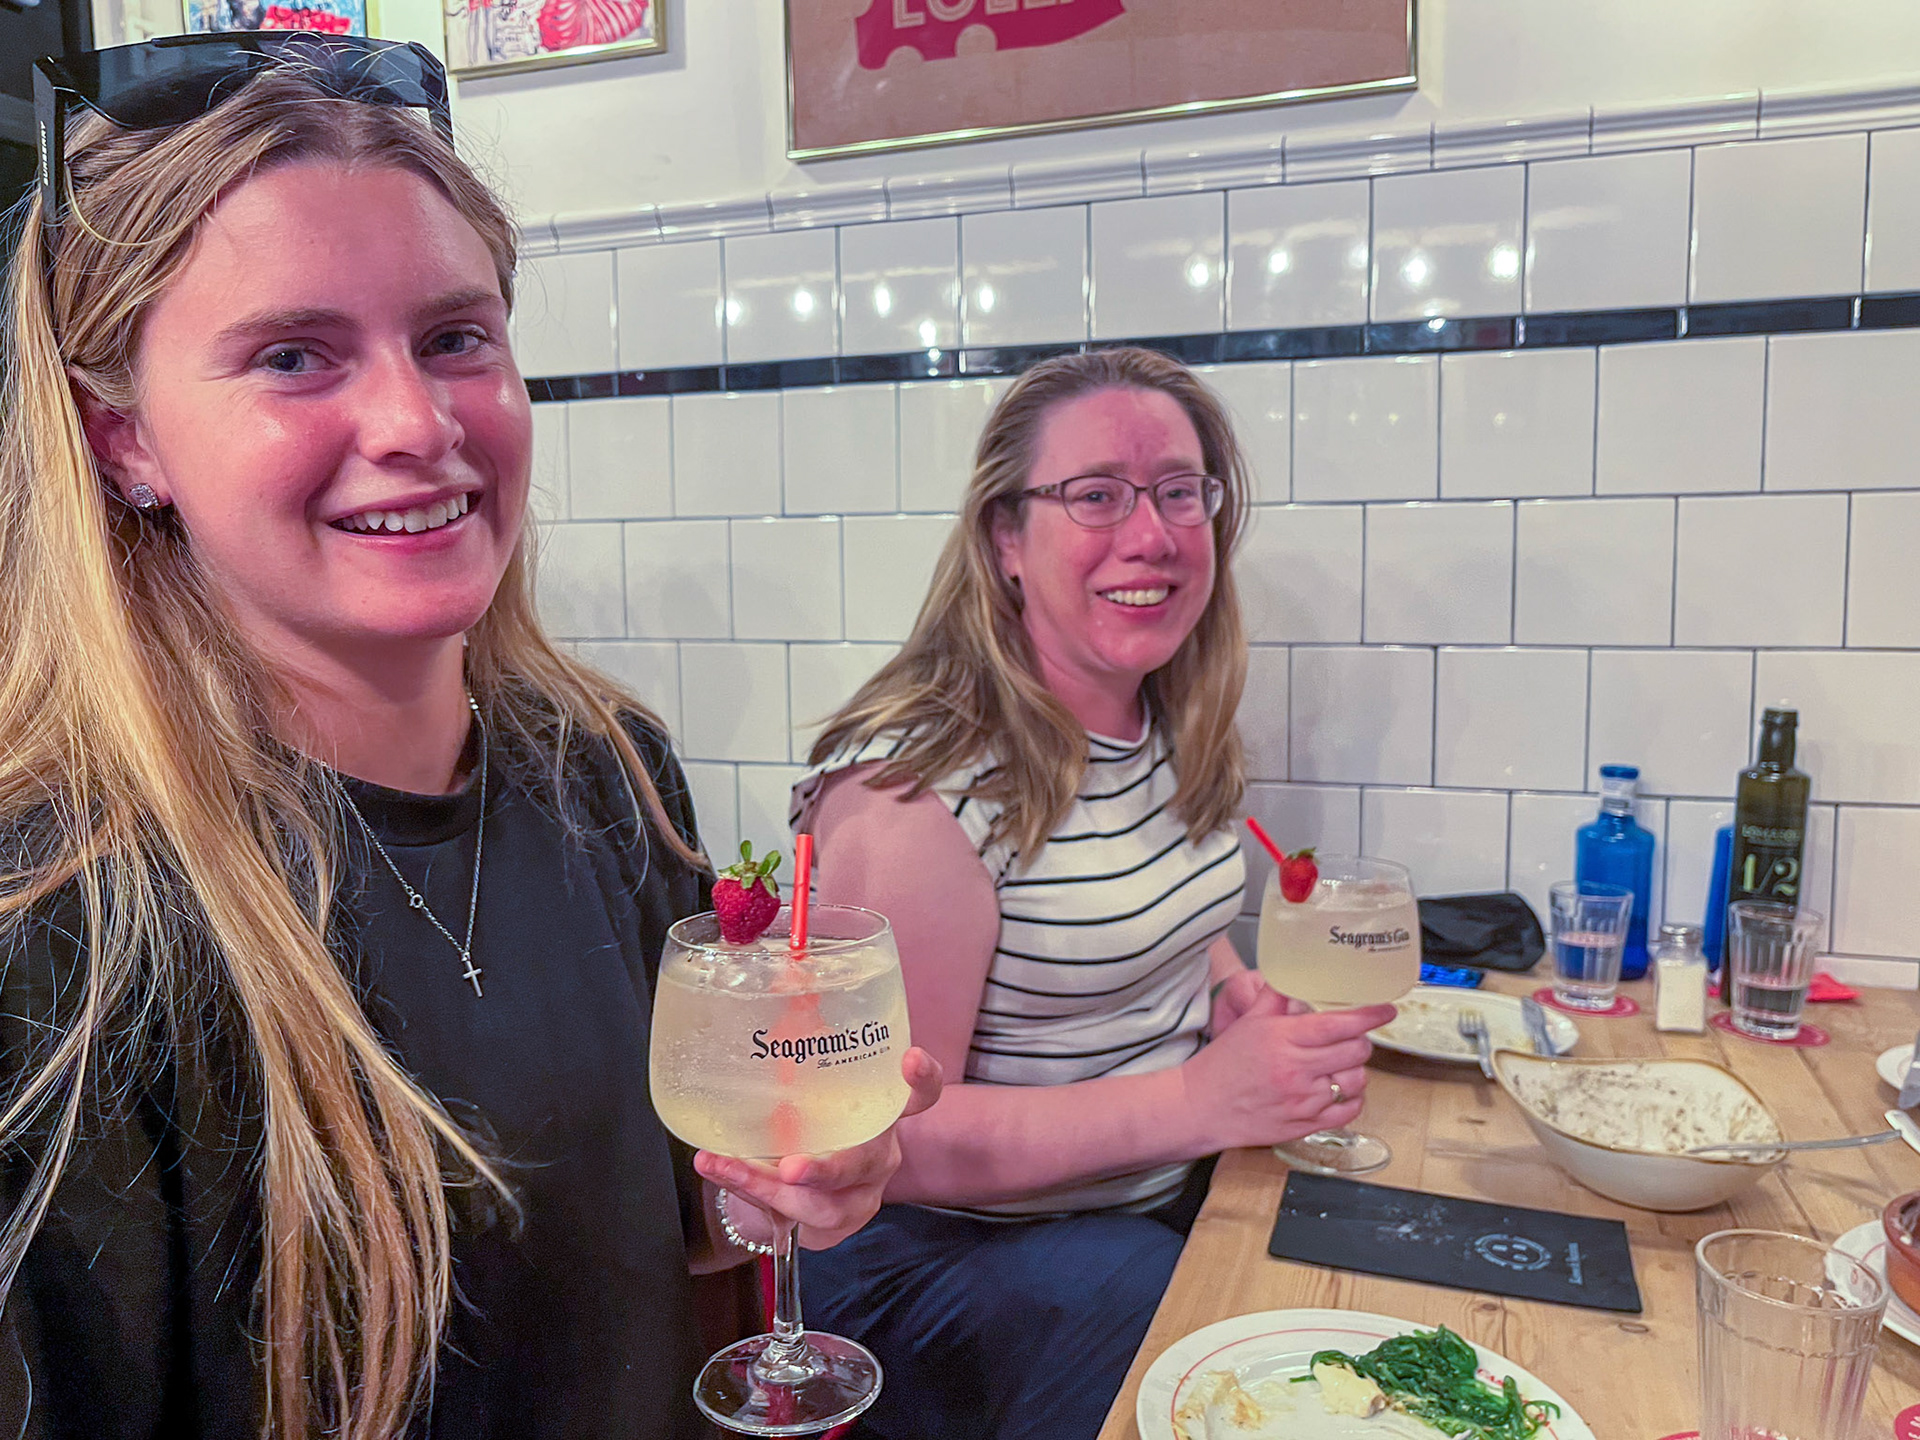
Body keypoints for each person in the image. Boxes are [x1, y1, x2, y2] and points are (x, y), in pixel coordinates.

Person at [1, 36, 937, 1440]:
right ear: (121, 438)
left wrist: (781, 1190)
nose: (417, 421)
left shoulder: (606, 766)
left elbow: (657, 1235)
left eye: (454, 338)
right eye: (293, 356)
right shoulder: (57, 921)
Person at [790, 347, 1393, 1440]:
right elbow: (877, 1138)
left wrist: (1226, 992)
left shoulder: (1162, 718)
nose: (1152, 534)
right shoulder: (915, 792)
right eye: (1097, 495)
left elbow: (1157, 919)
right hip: (946, 1261)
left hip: (1147, 1201)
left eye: (1180, 491)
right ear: (1005, 540)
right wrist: (1200, 1100)